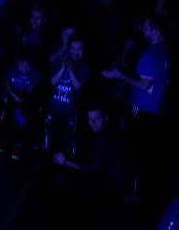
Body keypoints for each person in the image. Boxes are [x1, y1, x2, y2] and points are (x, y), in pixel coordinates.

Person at [103, 14, 168, 195]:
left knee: (133, 149)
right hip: (155, 109)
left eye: (146, 28)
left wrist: (119, 75)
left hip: (141, 109)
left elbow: (144, 83)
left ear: (155, 31)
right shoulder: (164, 50)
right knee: (144, 151)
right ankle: (138, 187)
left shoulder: (150, 56)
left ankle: (131, 188)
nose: (143, 31)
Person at [46, 33, 88, 159]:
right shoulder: (60, 62)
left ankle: (65, 164)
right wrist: (63, 67)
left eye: (79, 49)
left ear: (83, 51)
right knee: (51, 140)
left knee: (67, 143)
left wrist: (70, 69)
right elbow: (52, 82)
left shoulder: (84, 67)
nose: (75, 52)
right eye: (73, 48)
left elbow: (78, 86)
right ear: (69, 49)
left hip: (70, 114)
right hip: (54, 110)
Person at [0, 56, 41, 162]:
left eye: (27, 66)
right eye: (22, 65)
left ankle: (17, 148)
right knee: (6, 122)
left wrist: (23, 99)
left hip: (24, 100)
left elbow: (31, 88)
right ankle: (3, 144)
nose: (24, 68)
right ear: (18, 64)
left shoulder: (34, 74)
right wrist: (14, 96)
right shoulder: (11, 70)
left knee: (21, 124)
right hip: (11, 97)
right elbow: (7, 84)